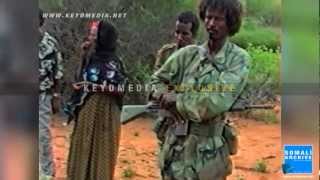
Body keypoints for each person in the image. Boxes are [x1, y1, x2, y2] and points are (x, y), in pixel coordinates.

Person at [150, 0, 250, 179]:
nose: (211, 23)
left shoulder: (238, 59)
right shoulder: (187, 54)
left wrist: (177, 101)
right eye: (209, 17)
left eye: (218, 19)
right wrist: (163, 94)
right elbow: (157, 80)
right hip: (175, 151)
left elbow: (216, 99)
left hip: (207, 157)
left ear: (231, 22)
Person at [67, 21, 126, 180]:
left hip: (106, 113)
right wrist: (83, 56)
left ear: (103, 38)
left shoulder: (115, 63)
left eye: (94, 34)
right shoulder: (90, 58)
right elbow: (79, 79)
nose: (90, 38)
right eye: (91, 34)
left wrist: (100, 88)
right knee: (82, 149)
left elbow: (122, 89)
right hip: (87, 110)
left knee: (102, 153)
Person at [153, 11, 199, 146]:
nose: (179, 38)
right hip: (169, 117)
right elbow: (156, 81)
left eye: (185, 34)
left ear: (194, 35)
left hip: (192, 117)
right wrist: (163, 94)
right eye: (177, 32)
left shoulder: (202, 56)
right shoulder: (166, 53)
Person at [39, 9, 64, 180]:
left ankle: (46, 173)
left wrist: (56, 96)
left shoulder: (50, 44)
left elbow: (58, 73)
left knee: (43, 135)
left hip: (43, 95)